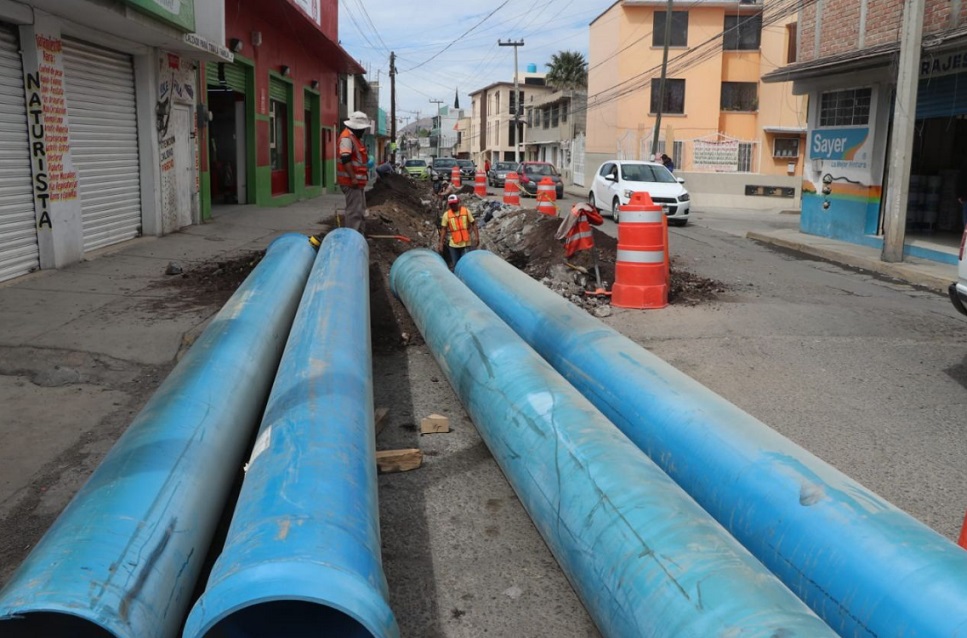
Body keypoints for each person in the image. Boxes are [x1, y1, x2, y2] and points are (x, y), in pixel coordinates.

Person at [337, 111, 371, 232]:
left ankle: (359, 236)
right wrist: (353, 178)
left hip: (357, 183)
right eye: (362, 129)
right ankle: (352, 237)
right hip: (351, 182)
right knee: (354, 212)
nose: (363, 131)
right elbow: (345, 159)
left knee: (361, 210)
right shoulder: (347, 138)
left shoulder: (354, 138)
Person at [439, 194, 478, 267]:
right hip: (453, 245)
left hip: (465, 244)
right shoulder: (446, 215)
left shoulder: (466, 211)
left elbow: (473, 224)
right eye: (451, 204)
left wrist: (477, 237)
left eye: (454, 204)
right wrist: (441, 243)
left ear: (458, 202)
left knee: (465, 264)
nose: (453, 206)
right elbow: (443, 229)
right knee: (456, 265)